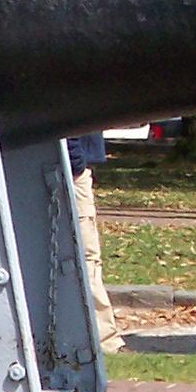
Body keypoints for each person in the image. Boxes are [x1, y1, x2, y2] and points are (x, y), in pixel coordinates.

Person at [67, 134, 125, 356]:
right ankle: (104, 339)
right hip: (72, 169)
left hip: (73, 165)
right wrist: (75, 162)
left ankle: (102, 337)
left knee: (85, 257)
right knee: (86, 256)